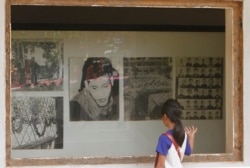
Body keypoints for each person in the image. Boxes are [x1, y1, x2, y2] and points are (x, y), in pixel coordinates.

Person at [155, 99, 198, 168]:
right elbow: (188, 151)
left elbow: (160, 165)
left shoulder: (164, 138)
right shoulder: (183, 134)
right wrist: (191, 137)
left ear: (165, 116)